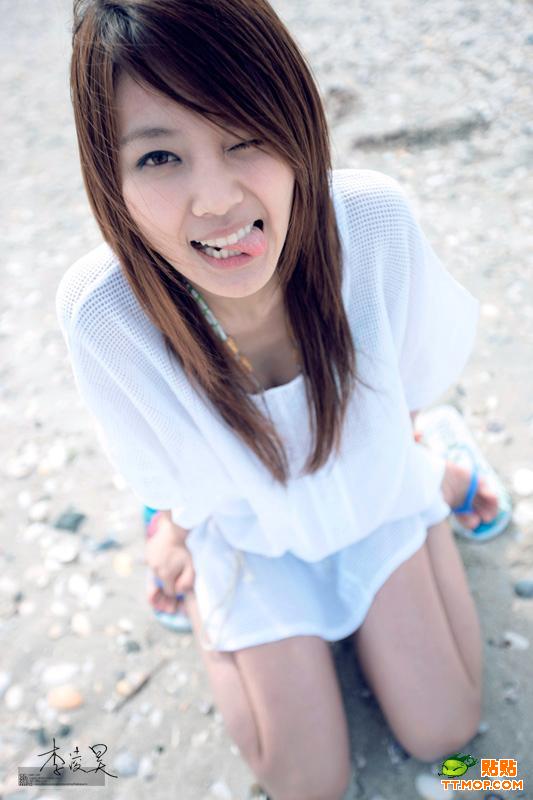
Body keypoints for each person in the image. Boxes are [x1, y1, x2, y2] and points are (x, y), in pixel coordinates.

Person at [59, 1, 499, 796]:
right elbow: (164, 467)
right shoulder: (105, 313)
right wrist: (177, 527)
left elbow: (408, 380)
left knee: (447, 734)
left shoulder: (369, 223)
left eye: (244, 136)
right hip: (250, 533)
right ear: (109, 176)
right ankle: (189, 571)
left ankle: (435, 465)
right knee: (307, 785)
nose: (214, 200)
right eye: (159, 157)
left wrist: (405, 458)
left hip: (371, 495)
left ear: (293, 119)